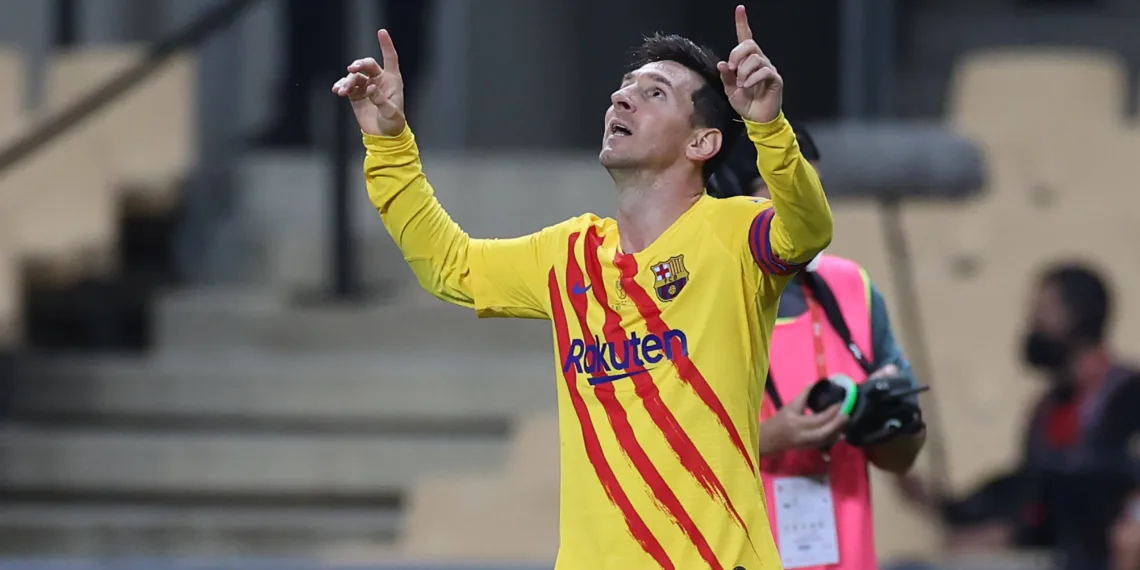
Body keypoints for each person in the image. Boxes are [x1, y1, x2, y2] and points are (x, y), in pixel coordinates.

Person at [332, 6, 833, 569]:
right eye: (624, 88)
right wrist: (390, 145)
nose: (622, 99)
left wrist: (769, 127)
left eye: (655, 93)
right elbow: (450, 266)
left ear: (702, 142)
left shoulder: (736, 234)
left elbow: (808, 229)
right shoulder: (570, 255)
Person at [710, 127, 926, 570]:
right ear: (730, 200)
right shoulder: (692, 304)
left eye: (817, 191)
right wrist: (769, 439)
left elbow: (900, 459)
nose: (812, 207)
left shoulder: (851, 289)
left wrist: (887, 419)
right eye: (790, 191)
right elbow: (655, 456)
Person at [899, 263, 1140, 570]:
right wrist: (938, 502)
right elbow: (1030, 496)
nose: (1032, 322)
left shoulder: (1128, 395)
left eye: (1043, 310)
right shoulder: (1047, 409)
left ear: (1078, 316)